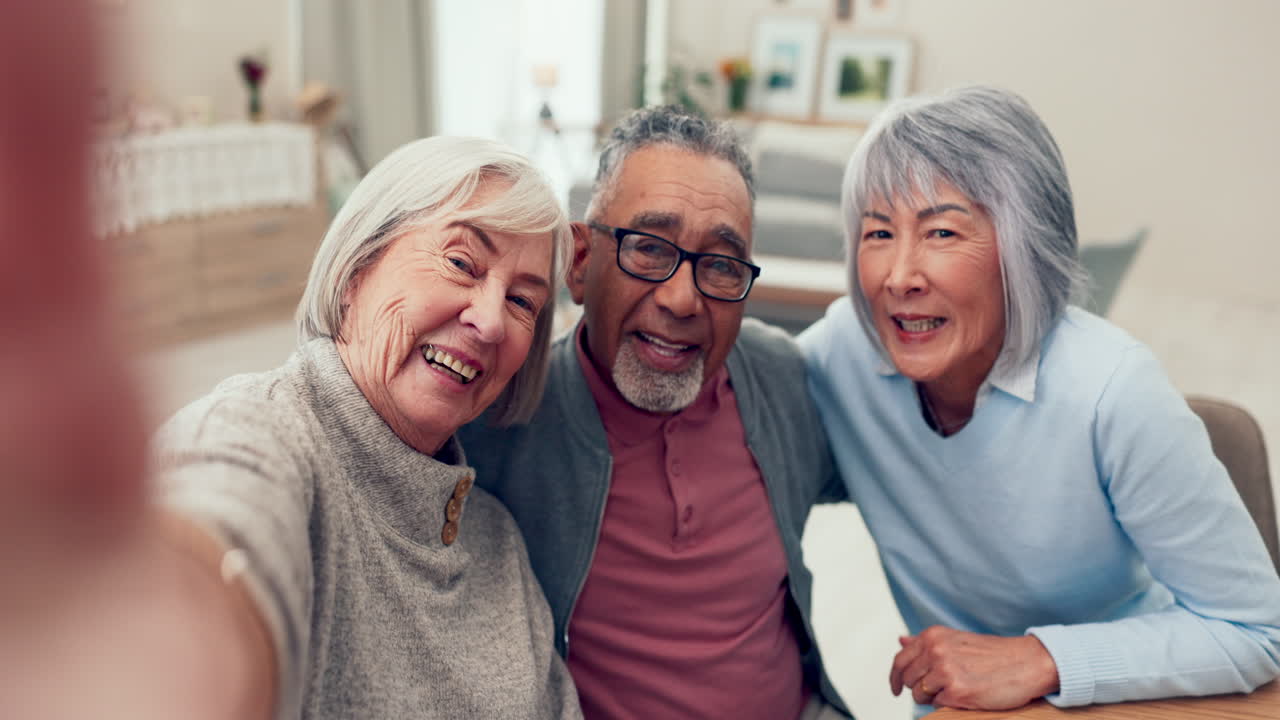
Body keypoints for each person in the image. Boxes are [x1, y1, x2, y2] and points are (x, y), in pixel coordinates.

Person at [0, 6, 582, 709]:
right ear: (359, 265)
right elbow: (220, 529)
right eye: (461, 261)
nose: (490, 320)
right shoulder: (262, 438)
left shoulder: (499, 546)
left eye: (524, 302)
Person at [797, 85, 1280, 714]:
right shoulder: (841, 355)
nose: (899, 276)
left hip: (1140, 697)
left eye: (941, 231)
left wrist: (1041, 658)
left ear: (1025, 247)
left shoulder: (1114, 389)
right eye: (878, 232)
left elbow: (1257, 629)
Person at [459, 106, 852, 719]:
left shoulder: (779, 379)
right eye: (648, 249)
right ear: (581, 262)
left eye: (721, 264)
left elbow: (910, 466)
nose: (682, 298)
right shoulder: (503, 413)